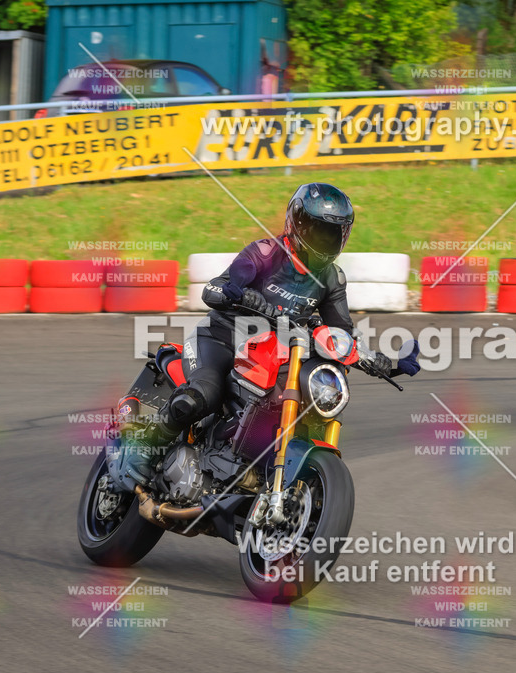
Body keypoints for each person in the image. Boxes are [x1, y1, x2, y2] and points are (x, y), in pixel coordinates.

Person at [108, 182, 421, 492]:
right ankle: (142, 447)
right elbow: (214, 288)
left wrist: (387, 363)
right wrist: (233, 291)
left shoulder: (331, 279)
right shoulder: (265, 253)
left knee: (300, 401)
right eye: (319, 230)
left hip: (275, 352)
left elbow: (342, 335)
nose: (326, 240)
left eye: (334, 232)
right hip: (221, 340)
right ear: (297, 223)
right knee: (204, 394)